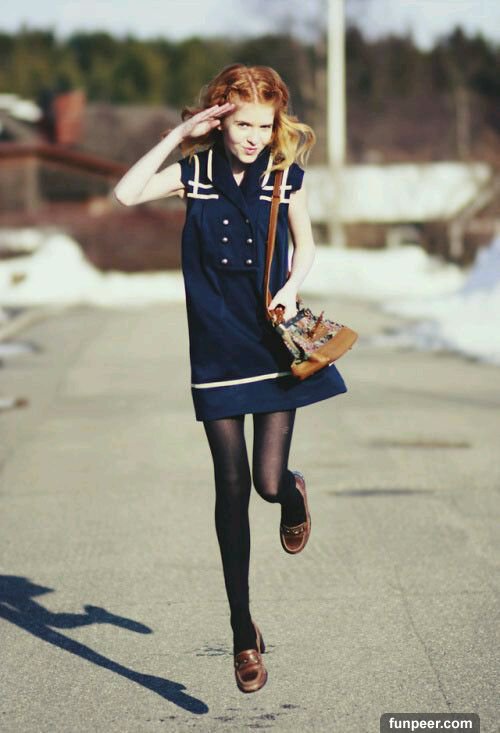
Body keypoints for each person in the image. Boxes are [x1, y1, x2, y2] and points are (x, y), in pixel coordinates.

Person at [114, 64, 348, 693]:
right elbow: (127, 194)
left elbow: (306, 245)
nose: (253, 137)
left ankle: (293, 494)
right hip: (216, 348)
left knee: (267, 484)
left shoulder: (283, 175)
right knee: (231, 486)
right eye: (243, 124)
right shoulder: (194, 174)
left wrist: (291, 287)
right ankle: (243, 633)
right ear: (220, 119)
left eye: (263, 126)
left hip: (271, 341)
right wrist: (179, 135)